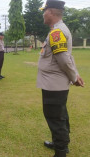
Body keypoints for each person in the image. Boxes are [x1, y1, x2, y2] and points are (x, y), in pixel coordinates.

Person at [38, 1, 84, 157]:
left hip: (54, 85)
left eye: (44, 11)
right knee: (60, 115)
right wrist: (75, 75)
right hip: (55, 84)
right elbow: (68, 57)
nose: (43, 14)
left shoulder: (57, 32)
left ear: (50, 12)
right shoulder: (58, 30)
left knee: (55, 118)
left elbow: (64, 59)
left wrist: (74, 78)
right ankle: (60, 144)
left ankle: (61, 152)